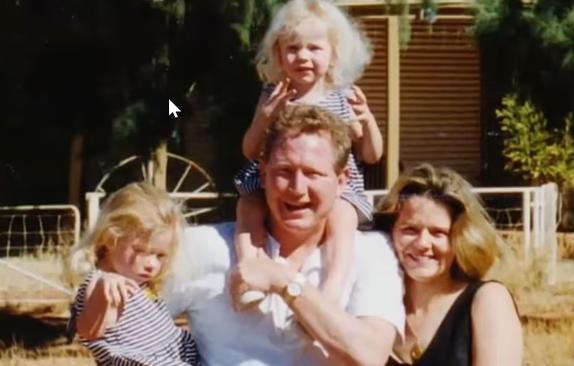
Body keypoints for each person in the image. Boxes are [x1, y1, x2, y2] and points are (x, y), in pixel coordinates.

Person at [165, 104, 404, 365]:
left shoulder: (371, 253)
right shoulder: (203, 247)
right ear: (264, 174)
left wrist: (283, 281)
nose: (297, 188)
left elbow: (370, 356)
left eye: (313, 173)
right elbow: (131, 324)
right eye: (284, 172)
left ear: (342, 180)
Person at [233, 0, 383, 306]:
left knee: (342, 215)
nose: (303, 56)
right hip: (275, 180)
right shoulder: (272, 94)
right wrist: (264, 117)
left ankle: (333, 285)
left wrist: (367, 120)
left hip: (333, 187)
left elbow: (370, 155)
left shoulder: (341, 95)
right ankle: (251, 271)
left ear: (333, 54)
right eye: (293, 48)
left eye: (314, 48)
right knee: (248, 206)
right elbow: (250, 150)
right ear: (278, 53)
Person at [374, 164, 523, 366]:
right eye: (410, 230)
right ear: (390, 232)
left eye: (438, 233)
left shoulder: (488, 300)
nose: (422, 244)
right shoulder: (375, 304)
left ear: (461, 238)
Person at [67, 182, 200, 366]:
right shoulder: (103, 283)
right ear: (110, 238)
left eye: (160, 255)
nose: (152, 264)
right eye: (140, 250)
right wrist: (103, 292)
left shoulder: (139, 283)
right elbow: (88, 330)